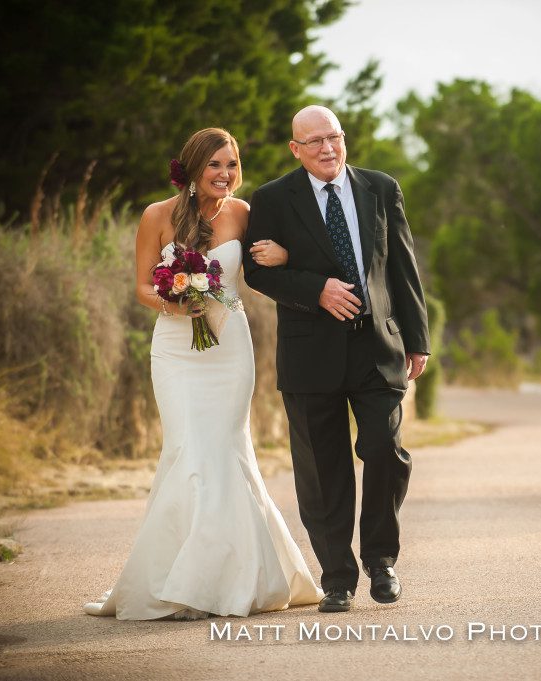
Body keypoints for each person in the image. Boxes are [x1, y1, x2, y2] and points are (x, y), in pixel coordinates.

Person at [83, 128, 322, 620]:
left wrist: (284, 256)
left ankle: (230, 579)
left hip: (230, 348)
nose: (224, 174)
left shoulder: (244, 214)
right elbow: (142, 286)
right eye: (215, 164)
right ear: (192, 169)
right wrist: (177, 305)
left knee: (227, 450)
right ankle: (181, 580)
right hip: (176, 350)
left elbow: (272, 266)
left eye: (231, 164)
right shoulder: (156, 216)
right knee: (186, 449)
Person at [243, 105, 430, 613]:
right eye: (315, 141)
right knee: (322, 472)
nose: (328, 148)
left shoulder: (381, 188)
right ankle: (338, 578)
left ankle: (381, 561)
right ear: (295, 149)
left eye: (335, 137)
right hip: (310, 353)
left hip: (377, 349)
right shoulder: (273, 198)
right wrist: (316, 289)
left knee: (385, 451)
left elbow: (402, 266)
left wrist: (417, 339)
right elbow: (258, 272)